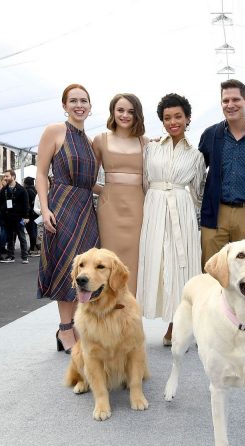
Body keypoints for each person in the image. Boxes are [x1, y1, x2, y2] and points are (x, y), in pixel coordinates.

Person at [136, 93, 205, 346]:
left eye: (178, 116)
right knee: (155, 261)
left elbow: (198, 192)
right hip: (154, 208)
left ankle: (178, 325)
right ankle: (139, 321)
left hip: (182, 210)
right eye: (167, 118)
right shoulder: (150, 148)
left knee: (181, 266)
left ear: (187, 119)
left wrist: (198, 220)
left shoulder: (196, 156)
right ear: (162, 121)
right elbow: (144, 182)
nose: (173, 122)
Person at [36, 83, 99, 354]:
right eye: (73, 101)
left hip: (86, 210)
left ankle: (75, 326)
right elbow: (41, 174)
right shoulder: (54, 131)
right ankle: (65, 330)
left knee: (85, 270)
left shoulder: (91, 142)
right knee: (66, 269)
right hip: (61, 206)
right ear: (64, 105)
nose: (79, 105)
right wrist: (45, 208)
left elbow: (91, 184)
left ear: (90, 106)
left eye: (83, 101)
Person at [198, 79, 245, 268]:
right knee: (212, 270)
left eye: (236, 99)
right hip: (215, 213)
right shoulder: (210, 135)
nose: (230, 105)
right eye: (225, 101)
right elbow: (194, 169)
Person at [92, 93, 146, 296]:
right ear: (112, 112)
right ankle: (109, 306)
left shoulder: (145, 142)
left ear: (137, 114)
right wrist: (106, 192)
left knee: (135, 259)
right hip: (109, 210)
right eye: (120, 110)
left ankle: (131, 306)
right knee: (109, 259)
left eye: (131, 111)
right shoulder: (100, 140)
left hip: (138, 207)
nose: (125, 115)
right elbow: (88, 178)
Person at [0, 169, 30, 263]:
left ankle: (25, 257)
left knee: (21, 237)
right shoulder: (4, 189)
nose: (5, 178)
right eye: (4, 176)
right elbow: (1, 202)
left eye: (7, 176)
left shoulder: (21, 189)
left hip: (19, 217)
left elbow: (26, 204)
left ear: (13, 177)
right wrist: (3, 212)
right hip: (8, 217)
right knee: (10, 238)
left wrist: (26, 216)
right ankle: (10, 256)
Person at [22, 177, 39, 256]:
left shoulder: (28, 191)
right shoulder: (35, 190)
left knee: (31, 231)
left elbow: (28, 204)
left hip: (30, 214)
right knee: (34, 230)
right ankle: (34, 247)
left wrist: (27, 215)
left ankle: (33, 248)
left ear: (26, 183)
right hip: (35, 214)